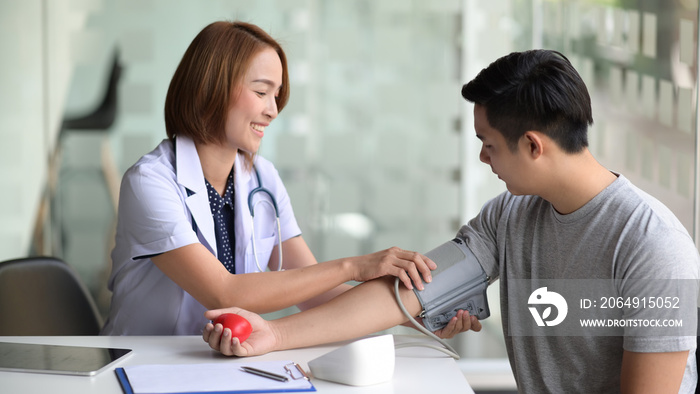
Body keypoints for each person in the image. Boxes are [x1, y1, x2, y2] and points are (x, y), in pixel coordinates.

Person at [203, 49, 700, 393]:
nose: (483, 159)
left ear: (533, 145)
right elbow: (410, 292)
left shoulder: (654, 249)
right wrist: (275, 334)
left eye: (489, 144)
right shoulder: (510, 215)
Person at [100, 21, 478, 337]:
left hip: (222, 360)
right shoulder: (150, 182)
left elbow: (318, 296)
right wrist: (357, 266)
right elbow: (223, 292)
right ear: (209, 88)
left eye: (277, 95)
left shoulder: (261, 178)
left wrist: (421, 316)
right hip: (144, 364)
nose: (273, 110)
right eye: (262, 91)